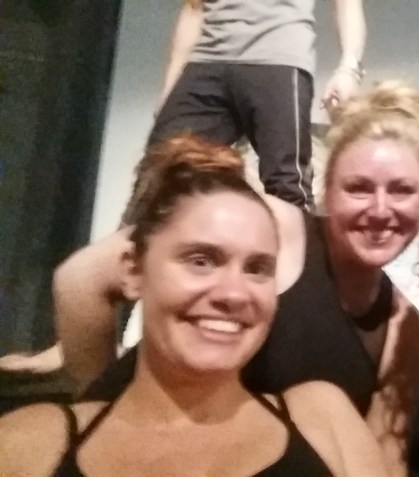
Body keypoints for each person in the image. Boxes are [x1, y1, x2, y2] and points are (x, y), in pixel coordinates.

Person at [54, 81, 419, 476]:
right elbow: (79, 279)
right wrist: (96, 409)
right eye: (358, 188)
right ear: (328, 191)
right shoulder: (267, 227)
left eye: (402, 190)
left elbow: (385, 460)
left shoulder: (403, 332)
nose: (381, 210)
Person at [0, 136, 387, 476]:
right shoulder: (32, 443)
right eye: (201, 260)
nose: (233, 294)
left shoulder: (323, 420)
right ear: (134, 271)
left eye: (257, 269)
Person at [147, 0, 367, 212]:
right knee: (157, 173)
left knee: (287, 186)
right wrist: (169, 87)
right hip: (205, 61)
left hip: (278, 60)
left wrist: (349, 68)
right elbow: (194, 8)